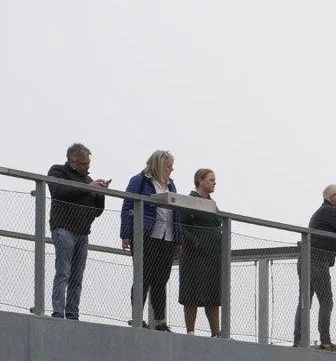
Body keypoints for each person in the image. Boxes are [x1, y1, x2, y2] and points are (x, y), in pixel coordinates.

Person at [46, 143, 109, 320]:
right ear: (72, 162)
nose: (87, 167)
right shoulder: (57, 171)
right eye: (83, 163)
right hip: (63, 228)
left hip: (83, 232)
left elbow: (97, 211)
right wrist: (90, 189)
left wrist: (99, 194)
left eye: (88, 163)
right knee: (63, 272)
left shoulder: (88, 181)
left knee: (77, 277)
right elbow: (60, 192)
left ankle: (72, 313)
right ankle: (58, 312)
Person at [120, 150, 181, 331]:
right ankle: (138, 317)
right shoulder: (140, 181)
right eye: (168, 166)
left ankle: (160, 321)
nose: (171, 170)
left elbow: (175, 211)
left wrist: (178, 238)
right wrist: (126, 234)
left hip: (167, 236)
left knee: (161, 279)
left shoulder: (171, 185)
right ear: (159, 165)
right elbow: (128, 206)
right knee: (143, 277)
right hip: (146, 234)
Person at [293, 183, 336, 350]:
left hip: (306, 260)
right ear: (332, 198)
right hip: (317, 261)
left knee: (304, 302)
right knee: (326, 302)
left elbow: (329, 236)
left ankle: (298, 341)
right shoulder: (329, 211)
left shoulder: (322, 214)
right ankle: (325, 341)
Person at [178, 168, 224, 336]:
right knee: (191, 292)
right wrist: (195, 242)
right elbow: (181, 225)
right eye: (211, 180)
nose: (214, 183)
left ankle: (216, 333)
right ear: (201, 180)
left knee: (213, 294)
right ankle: (190, 331)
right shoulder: (190, 200)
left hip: (213, 255)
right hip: (194, 256)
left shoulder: (212, 204)